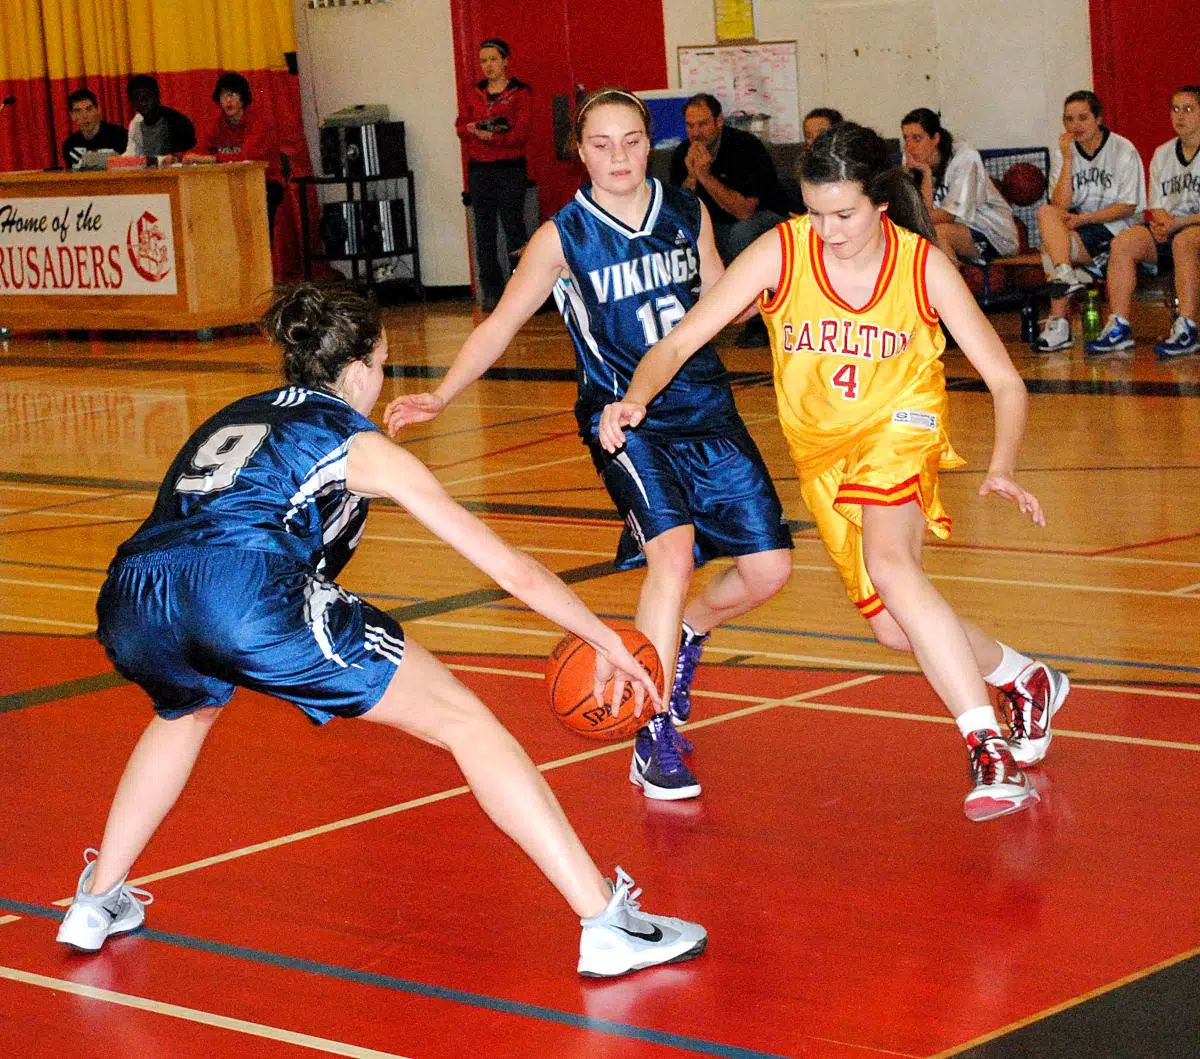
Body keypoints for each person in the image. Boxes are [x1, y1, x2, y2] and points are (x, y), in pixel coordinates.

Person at [54, 285, 706, 979]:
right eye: (385, 363)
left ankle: (94, 903)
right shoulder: (354, 442)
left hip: (134, 596)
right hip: (240, 592)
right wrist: (603, 636)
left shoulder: (238, 414)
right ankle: (607, 923)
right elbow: (511, 569)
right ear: (361, 370)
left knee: (186, 710)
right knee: (466, 721)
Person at [598, 122, 1070, 822]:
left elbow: (1005, 380)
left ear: (880, 202)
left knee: (893, 565)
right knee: (892, 625)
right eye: (815, 212)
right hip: (823, 455)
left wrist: (1000, 464)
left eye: (843, 214)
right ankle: (1024, 678)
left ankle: (987, 747)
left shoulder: (920, 265)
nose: (827, 229)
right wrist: (636, 395)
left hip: (902, 427)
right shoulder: (781, 253)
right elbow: (681, 340)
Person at [385, 89, 794, 803]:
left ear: (649, 141)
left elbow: (721, 295)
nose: (619, 158)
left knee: (769, 570)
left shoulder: (683, 209)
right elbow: (501, 322)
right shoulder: (562, 236)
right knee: (673, 554)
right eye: (602, 144)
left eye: (632, 141)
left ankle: (684, 637)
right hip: (621, 419)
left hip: (703, 403)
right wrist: (443, 392)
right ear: (581, 150)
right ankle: (653, 729)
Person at [1086, 85, 1200, 359]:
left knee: (1184, 241)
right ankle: (1119, 325)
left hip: (1190, 229)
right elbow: (1156, 205)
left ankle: (1187, 327)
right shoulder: (1163, 153)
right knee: (1124, 241)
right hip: (1171, 228)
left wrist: (1177, 225)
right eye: (1175, 109)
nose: (1179, 116)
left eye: (1188, 109)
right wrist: (1163, 223)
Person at [669, 93, 792, 346]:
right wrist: (692, 177)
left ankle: (758, 322)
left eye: (702, 124)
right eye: (690, 126)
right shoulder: (683, 153)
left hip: (766, 220)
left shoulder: (746, 148)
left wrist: (704, 176)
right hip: (714, 226)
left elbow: (744, 211)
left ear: (719, 121)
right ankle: (689, 320)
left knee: (741, 234)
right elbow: (677, 212)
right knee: (679, 238)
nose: (696, 133)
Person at [1034, 91, 1144, 353]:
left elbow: (1128, 206)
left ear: (1099, 119)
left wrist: (1085, 219)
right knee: (1046, 213)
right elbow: (1060, 205)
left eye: (1083, 118)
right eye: (1069, 119)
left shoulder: (1122, 149)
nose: (1076, 126)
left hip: (1120, 228)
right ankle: (1065, 281)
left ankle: (1060, 321)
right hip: (1082, 228)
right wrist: (1068, 159)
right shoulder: (1064, 151)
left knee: (1051, 245)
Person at [456, 38, 533, 312]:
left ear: (505, 61)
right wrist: (474, 130)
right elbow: (461, 126)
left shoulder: (520, 93)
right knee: (484, 231)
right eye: (483, 61)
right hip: (480, 169)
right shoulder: (473, 93)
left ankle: (522, 291)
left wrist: (491, 136)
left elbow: (520, 134)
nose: (488, 65)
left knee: (514, 228)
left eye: (493, 59)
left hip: (510, 167)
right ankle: (492, 291)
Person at [901, 107, 1019, 266]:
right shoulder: (911, 161)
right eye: (906, 138)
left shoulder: (965, 157)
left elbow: (945, 216)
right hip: (952, 229)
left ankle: (950, 289)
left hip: (991, 233)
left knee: (936, 235)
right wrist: (926, 174)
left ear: (935, 138)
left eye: (917, 138)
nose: (910, 147)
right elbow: (922, 213)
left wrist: (914, 222)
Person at [185, 72, 286, 242]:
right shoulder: (218, 124)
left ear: (243, 98)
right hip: (229, 184)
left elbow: (247, 157)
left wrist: (209, 159)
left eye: (233, 95)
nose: (228, 101)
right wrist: (181, 157)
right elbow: (198, 151)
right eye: (224, 95)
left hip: (264, 183)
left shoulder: (259, 123)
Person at [124, 74, 196, 164]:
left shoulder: (178, 122)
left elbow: (183, 158)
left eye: (146, 97)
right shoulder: (136, 123)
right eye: (136, 99)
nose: (142, 103)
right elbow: (132, 155)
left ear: (157, 96)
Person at [61, 88, 127, 169]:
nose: (84, 116)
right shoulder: (70, 145)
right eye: (78, 111)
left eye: (89, 109)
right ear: (72, 115)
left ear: (98, 109)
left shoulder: (119, 135)